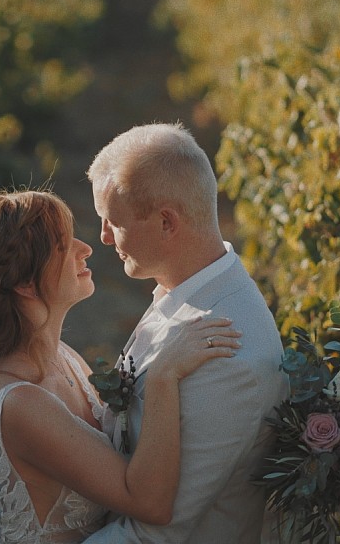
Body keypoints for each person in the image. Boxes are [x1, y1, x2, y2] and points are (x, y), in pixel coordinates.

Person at [0, 190, 244, 543]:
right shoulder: (20, 403)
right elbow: (150, 504)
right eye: (63, 246)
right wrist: (164, 376)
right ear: (26, 283)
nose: (85, 248)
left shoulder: (64, 358)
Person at [83, 123, 289, 544]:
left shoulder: (231, 356)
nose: (103, 237)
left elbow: (157, 532)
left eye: (114, 222)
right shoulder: (192, 287)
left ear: (166, 222)